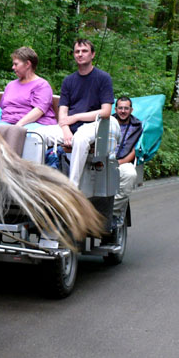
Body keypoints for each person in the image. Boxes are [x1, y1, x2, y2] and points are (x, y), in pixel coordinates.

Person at [37, 38, 120, 187]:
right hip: (69, 128)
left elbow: (106, 111)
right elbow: (62, 112)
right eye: (77, 51)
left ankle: (73, 187)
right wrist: (66, 131)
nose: (80, 54)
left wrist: (75, 117)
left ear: (92, 54)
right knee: (37, 135)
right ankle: (37, 183)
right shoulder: (68, 81)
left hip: (94, 125)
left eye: (84, 51)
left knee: (80, 139)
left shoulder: (103, 78)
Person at [0, 46, 57, 129]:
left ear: (27, 64)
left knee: (18, 135)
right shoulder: (10, 85)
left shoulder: (42, 85)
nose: (13, 67)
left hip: (34, 124)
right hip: (7, 123)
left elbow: (39, 110)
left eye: (16, 64)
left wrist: (18, 126)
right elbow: (2, 108)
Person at [112, 96, 142, 224]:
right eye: (120, 108)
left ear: (131, 110)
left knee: (130, 174)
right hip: (101, 160)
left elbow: (136, 148)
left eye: (126, 108)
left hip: (123, 161)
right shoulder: (106, 121)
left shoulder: (137, 126)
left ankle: (112, 211)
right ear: (115, 109)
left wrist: (120, 162)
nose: (123, 111)